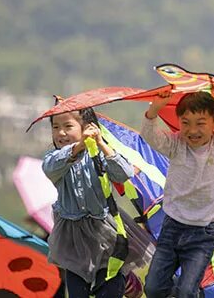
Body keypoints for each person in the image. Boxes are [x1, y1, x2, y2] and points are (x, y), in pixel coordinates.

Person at [139, 88, 214, 298]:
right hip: (173, 227)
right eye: (185, 123)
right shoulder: (175, 144)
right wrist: (154, 109)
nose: (193, 130)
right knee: (153, 289)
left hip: (204, 232)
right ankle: (177, 284)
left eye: (201, 123)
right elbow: (149, 135)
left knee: (186, 291)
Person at [42, 106, 134, 298]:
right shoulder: (56, 158)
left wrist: (100, 143)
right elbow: (50, 168)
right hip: (72, 236)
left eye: (68, 126)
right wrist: (79, 147)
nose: (61, 133)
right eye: (55, 127)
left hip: (104, 230)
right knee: (77, 291)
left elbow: (124, 173)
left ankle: (124, 279)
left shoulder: (99, 154)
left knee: (108, 287)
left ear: (87, 127)